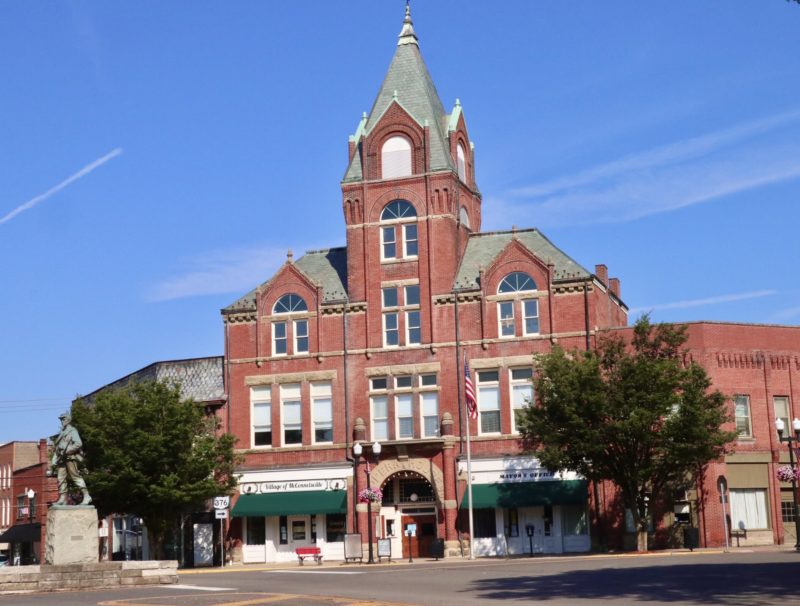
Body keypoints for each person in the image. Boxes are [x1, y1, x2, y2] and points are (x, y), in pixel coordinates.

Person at [52, 412, 92, 506]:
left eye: (63, 419)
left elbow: (78, 443)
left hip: (70, 457)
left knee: (75, 477)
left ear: (68, 420)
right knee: (60, 478)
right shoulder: (62, 432)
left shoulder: (72, 431)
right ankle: (63, 498)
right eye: (61, 419)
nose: (62, 421)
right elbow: (57, 448)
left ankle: (86, 496)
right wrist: (54, 459)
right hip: (61, 459)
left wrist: (68, 450)